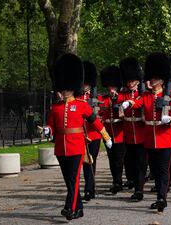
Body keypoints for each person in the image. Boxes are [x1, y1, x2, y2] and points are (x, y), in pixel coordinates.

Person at [43, 53, 112, 220]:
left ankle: (69, 208)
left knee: (73, 180)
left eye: (67, 88)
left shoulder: (81, 105)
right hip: (61, 148)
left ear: (73, 87)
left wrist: (106, 137)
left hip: (76, 147)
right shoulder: (56, 107)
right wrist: (47, 130)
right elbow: (51, 124)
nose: (65, 91)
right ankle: (79, 209)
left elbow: (95, 122)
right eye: (63, 88)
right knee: (69, 181)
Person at [122, 52, 171, 212]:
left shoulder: (169, 96)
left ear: (161, 80)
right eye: (151, 77)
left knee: (163, 170)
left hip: (165, 139)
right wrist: (128, 103)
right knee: (154, 169)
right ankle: (159, 195)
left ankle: (162, 198)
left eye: (154, 78)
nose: (152, 80)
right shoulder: (146, 96)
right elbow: (137, 102)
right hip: (150, 140)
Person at [119, 57, 147, 201]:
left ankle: (139, 190)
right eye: (128, 81)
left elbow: (143, 104)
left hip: (142, 133)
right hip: (128, 133)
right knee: (130, 162)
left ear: (137, 80)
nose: (130, 83)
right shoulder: (123, 93)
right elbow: (117, 105)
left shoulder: (142, 93)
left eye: (132, 81)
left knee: (141, 163)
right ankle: (134, 183)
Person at [99, 65, 126, 194]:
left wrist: (116, 98)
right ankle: (115, 181)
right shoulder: (103, 99)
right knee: (111, 158)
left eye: (113, 86)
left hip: (120, 132)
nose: (110, 88)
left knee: (119, 159)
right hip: (108, 132)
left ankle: (119, 181)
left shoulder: (121, 97)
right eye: (109, 86)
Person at [81, 61, 102, 201]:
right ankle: (89, 188)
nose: (84, 86)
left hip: (93, 135)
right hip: (81, 135)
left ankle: (89, 189)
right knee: (84, 163)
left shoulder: (97, 98)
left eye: (86, 83)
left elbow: (103, 116)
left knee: (91, 161)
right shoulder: (75, 98)